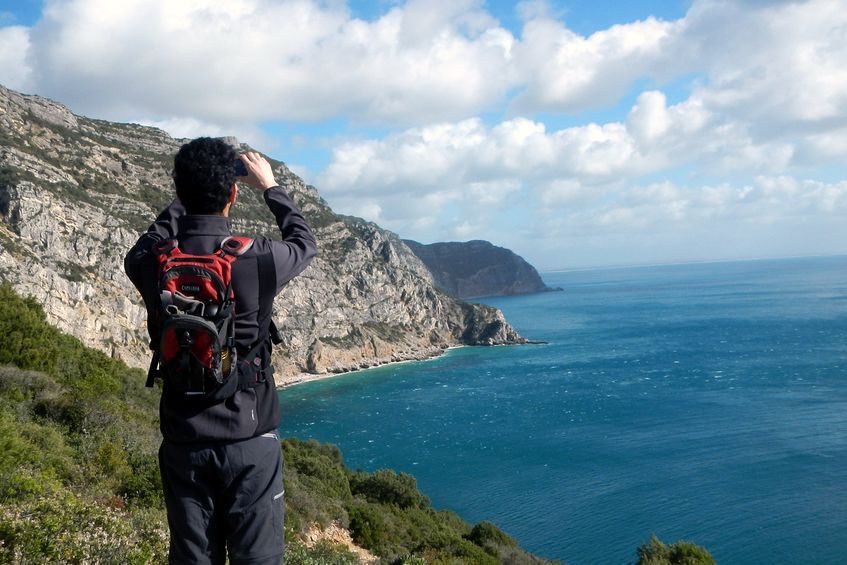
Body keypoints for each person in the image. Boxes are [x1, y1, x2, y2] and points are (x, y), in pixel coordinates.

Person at [124, 137, 317, 564]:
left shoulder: (151, 261)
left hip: (183, 440)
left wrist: (185, 198)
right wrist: (270, 187)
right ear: (232, 193)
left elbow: (148, 240)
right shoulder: (257, 257)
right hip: (250, 440)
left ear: (180, 190)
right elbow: (304, 241)